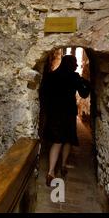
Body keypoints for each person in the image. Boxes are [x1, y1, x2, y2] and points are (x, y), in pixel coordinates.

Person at [43, 55, 91, 186]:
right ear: (70, 64)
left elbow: (44, 95)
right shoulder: (74, 77)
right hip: (68, 112)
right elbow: (84, 94)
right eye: (74, 63)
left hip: (54, 112)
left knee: (57, 141)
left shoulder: (51, 76)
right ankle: (63, 165)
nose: (76, 66)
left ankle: (51, 172)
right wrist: (87, 83)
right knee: (67, 140)